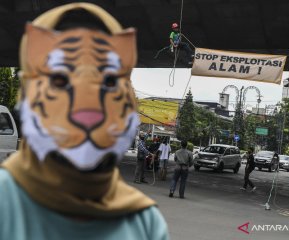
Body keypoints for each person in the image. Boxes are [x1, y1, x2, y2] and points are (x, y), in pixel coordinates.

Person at [0, 3, 169, 240]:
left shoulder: (144, 223)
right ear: (27, 91)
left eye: (109, 81)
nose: (88, 114)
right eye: (59, 80)